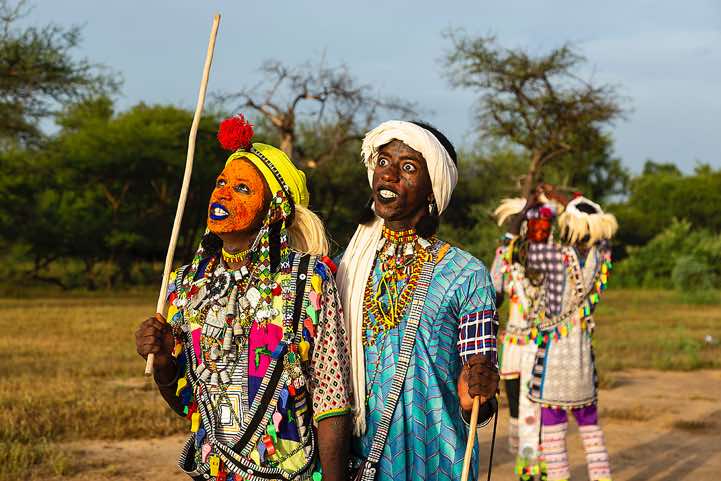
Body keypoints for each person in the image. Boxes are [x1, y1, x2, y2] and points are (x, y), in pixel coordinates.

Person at [135, 114, 352, 481]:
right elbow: (187, 404)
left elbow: (332, 401)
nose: (222, 193)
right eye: (221, 183)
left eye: (242, 188)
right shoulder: (186, 284)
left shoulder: (308, 279)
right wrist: (163, 365)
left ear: (275, 209)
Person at [335, 120, 500, 481]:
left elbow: (475, 396)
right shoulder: (346, 268)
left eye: (408, 167)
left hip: (438, 459)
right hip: (356, 457)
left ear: (432, 190)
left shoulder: (464, 273)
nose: (389, 174)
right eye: (383, 162)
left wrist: (479, 387)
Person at [521, 192, 617, 481]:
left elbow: (530, 258)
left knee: (553, 431)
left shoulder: (555, 256)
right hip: (582, 355)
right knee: (591, 427)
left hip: (556, 357)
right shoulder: (602, 258)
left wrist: (542, 209)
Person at [491, 186, 567, 481]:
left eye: (545, 227)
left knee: (536, 420)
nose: (540, 232)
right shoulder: (508, 260)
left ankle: (535, 473)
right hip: (513, 351)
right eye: (534, 225)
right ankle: (528, 471)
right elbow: (494, 295)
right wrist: (522, 214)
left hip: (542, 350)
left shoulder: (559, 261)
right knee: (518, 419)